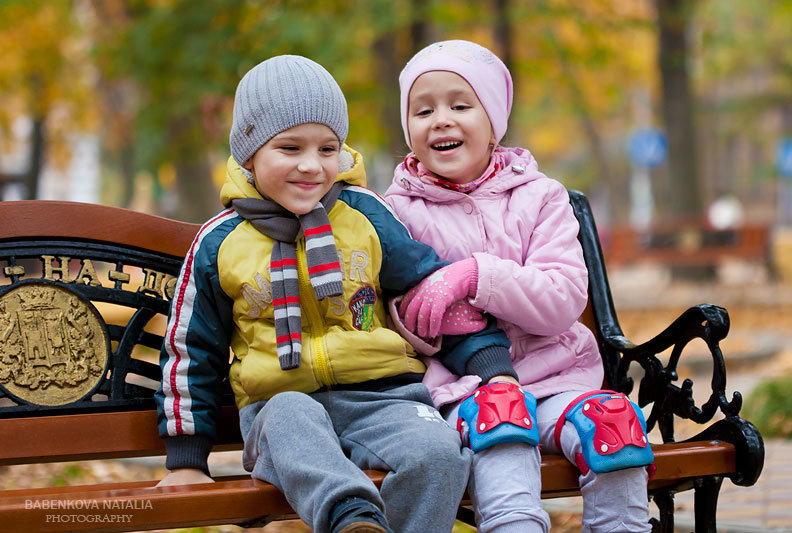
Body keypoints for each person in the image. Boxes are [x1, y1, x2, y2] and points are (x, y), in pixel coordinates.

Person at [153, 54, 519, 533]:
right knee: (291, 416)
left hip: (385, 397)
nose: (311, 166)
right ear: (249, 153)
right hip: (279, 410)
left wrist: (491, 365)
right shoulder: (221, 243)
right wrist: (187, 458)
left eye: (328, 148)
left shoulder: (364, 215)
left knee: (438, 454)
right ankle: (352, 518)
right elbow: (189, 353)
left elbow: (431, 297)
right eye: (289, 147)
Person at [384, 40, 654, 533]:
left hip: (558, 382)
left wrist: (474, 277)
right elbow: (403, 315)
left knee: (613, 424)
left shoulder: (541, 198)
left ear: (494, 123)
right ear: (409, 130)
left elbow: (562, 300)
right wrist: (416, 317)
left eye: (460, 105)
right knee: (501, 419)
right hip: (463, 393)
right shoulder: (395, 214)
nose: (441, 119)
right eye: (423, 110)